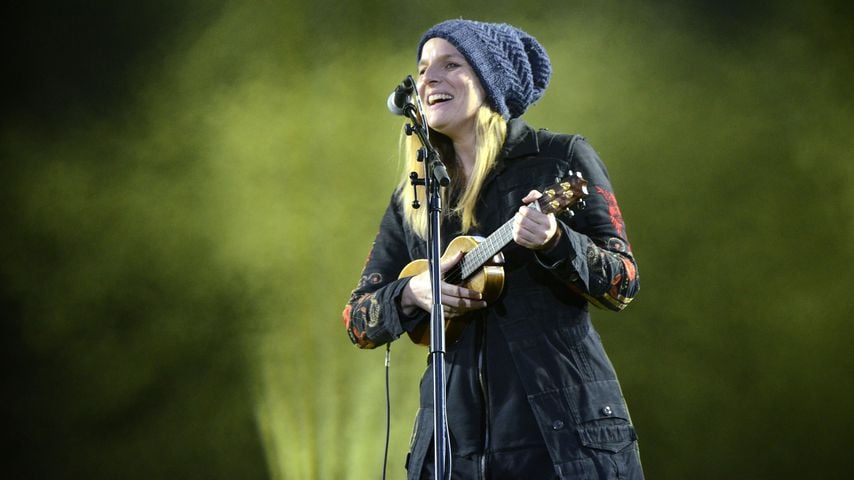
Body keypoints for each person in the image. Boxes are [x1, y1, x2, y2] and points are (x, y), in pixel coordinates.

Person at [343, 19, 644, 479]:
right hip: (450, 451)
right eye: (422, 69)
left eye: (450, 64)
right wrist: (412, 293)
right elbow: (357, 321)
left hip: (559, 439)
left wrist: (556, 240)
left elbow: (623, 283)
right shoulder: (415, 197)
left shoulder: (560, 159)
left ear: (490, 79)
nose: (428, 79)